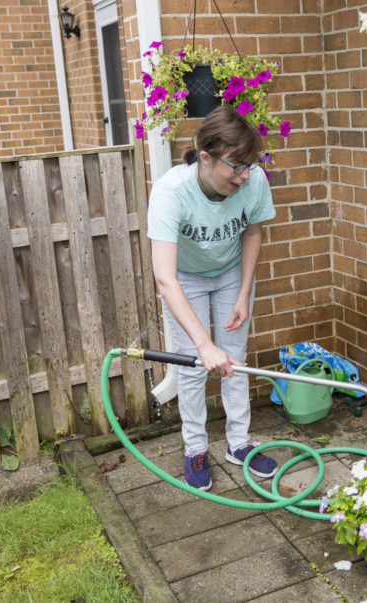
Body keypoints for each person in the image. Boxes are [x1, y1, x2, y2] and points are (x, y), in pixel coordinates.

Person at [147, 105, 278, 490]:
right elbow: (165, 278)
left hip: (231, 274)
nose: (243, 176)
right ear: (205, 158)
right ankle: (195, 449)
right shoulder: (171, 193)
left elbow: (253, 233)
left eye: (248, 166)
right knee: (193, 366)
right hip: (185, 278)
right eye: (234, 166)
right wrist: (203, 344)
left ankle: (239, 444)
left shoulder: (253, 180)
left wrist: (243, 292)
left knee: (234, 359)